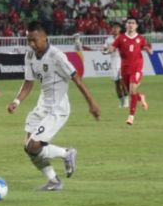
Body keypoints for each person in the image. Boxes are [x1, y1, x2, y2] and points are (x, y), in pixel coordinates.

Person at [7, 21, 101, 191]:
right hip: (42, 105)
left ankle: (67, 153)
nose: (31, 44)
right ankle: (53, 181)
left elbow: (76, 79)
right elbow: (28, 83)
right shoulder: (29, 56)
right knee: (28, 147)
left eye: (34, 40)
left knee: (33, 146)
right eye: (29, 40)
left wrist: (92, 103)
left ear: (45, 38)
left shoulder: (56, 56)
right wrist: (16, 101)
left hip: (58, 108)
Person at [103, 18, 153, 125]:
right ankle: (141, 97)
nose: (131, 25)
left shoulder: (140, 38)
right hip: (125, 70)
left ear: (136, 26)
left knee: (132, 90)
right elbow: (112, 47)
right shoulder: (121, 38)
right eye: (129, 23)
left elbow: (146, 47)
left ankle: (131, 117)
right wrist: (108, 50)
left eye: (133, 23)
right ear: (126, 26)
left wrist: (149, 50)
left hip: (137, 69)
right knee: (132, 92)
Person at [102, 22, 127, 107]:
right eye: (113, 28)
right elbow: (104, 48)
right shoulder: (109, 40)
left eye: (117, 28)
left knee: (121, 80)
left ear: (120, 29)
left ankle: (126, 100)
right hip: (113, 61)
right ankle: (121, 101)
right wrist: (104, 51)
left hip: (122, 60)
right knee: (116, 83)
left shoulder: (123, 38)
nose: (115, 29)